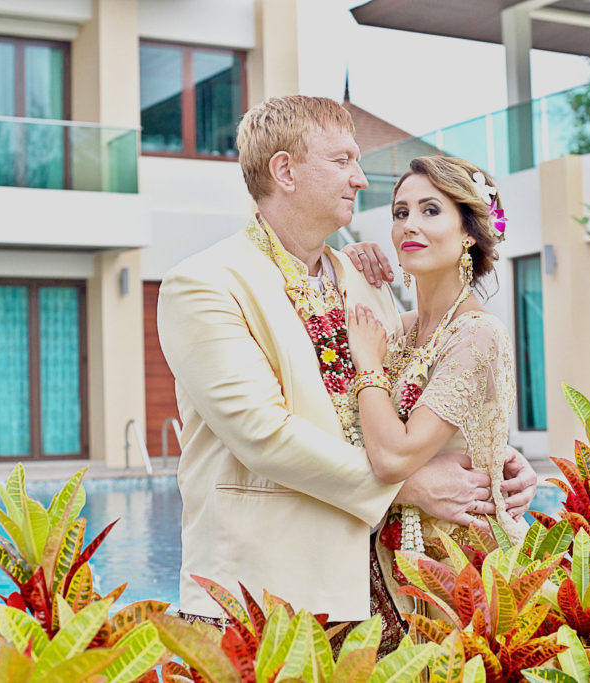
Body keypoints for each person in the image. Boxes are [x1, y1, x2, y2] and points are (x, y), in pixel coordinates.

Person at [157, 96, 535, 647]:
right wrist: (412, 485)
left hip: (380, 598)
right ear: (284, 171)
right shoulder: (205, 284)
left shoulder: (365, 282)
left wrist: (489, 451)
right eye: (342, 161)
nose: (360, 179)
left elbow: (407, 397)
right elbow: (263, 434)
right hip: (261, 597)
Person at [346, 155, 528, 612]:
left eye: (431, 210)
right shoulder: (398, 329)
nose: (410, 225)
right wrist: (346, 269)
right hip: (388, 559)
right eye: (400, 212)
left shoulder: (477, 333)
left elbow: (392, 456)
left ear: (469, 232)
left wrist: (368, 363)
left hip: (458, 571)